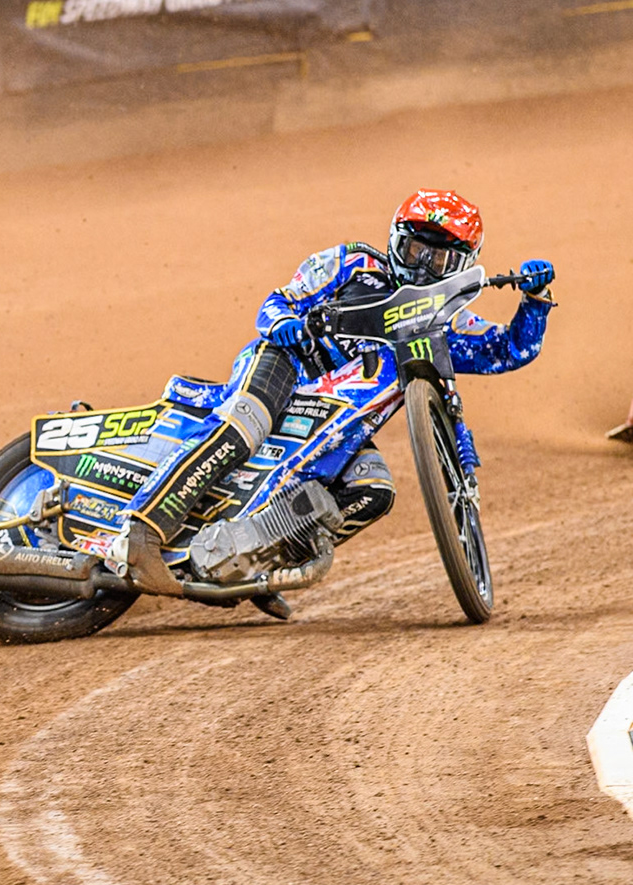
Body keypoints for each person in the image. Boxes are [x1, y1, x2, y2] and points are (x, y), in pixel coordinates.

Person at [116, 189, 556, 607]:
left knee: (374, 490)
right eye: (414, 251)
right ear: (393, 240)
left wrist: (536, 299)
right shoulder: (352, 261)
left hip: (337, 422)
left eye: (438, 258)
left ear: (463, 266)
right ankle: (144, 530)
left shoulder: (447, 324)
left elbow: (509, 350)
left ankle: (257, 562)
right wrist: (285, 323)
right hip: (286, 366)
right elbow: (276, 302)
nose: (422, 267)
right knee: (245, 425)